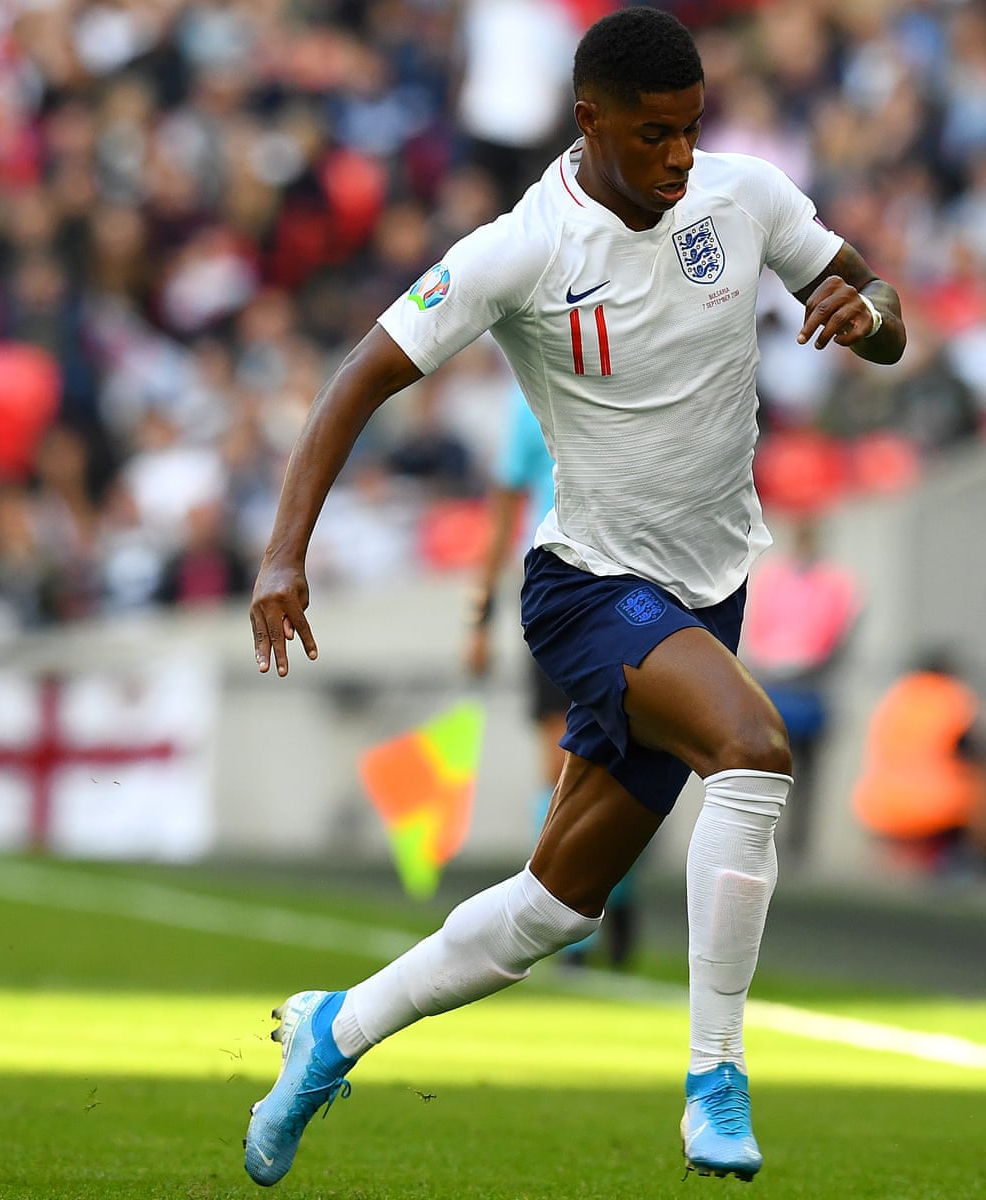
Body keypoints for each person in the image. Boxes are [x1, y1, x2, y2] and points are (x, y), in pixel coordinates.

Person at [245, 7, 905, 1187]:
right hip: (590, 588)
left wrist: (870, 314)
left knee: (556, 909)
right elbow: (362, 376)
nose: (678, 158)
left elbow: (882, 307)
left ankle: (331, 1032)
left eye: (691, 130)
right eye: (654, 134)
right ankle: (715, 1077)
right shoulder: (521, 248)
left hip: (714, 590)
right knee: (752, 749)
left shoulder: (744, 196)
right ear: (588, 121)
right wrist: (284, 554)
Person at [465, 383, 640, 968]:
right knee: (577, 761)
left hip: (598, 587)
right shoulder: (530, 396)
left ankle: (591, 917)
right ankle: (590, 921)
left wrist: (480, 618)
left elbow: (503, 510)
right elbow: (505, 509)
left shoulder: (531, 393)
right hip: (573, 589)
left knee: (601, 760)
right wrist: (482, 612)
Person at [741, 514, 861, 862]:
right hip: (776, 682)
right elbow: (761, 627)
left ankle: (797, 844)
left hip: (809, 685)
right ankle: (767, 837)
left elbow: (834, 632)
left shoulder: (835, 583)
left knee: (806, 770)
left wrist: (805, 660)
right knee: (771, 764)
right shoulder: (775, 579)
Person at [851, 651, 986, 876]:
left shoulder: (898, 696)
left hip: (881, 804)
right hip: (938, 810)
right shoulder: (952, 697)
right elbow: (973, 751)